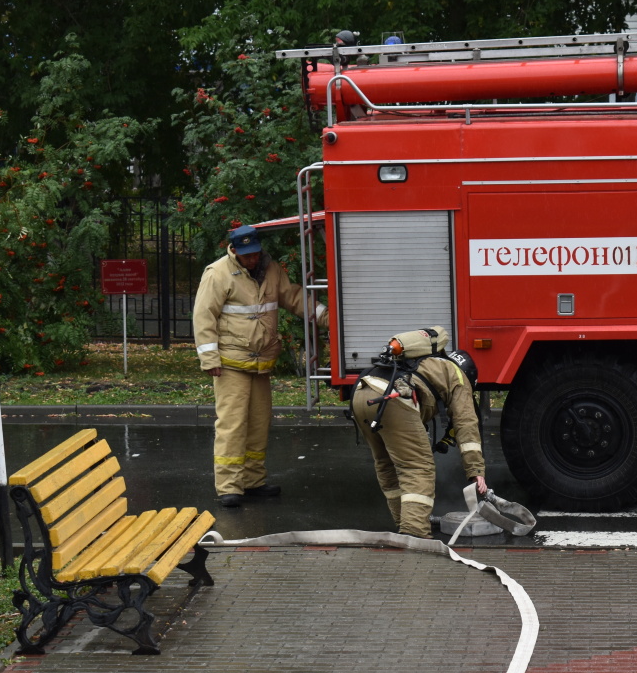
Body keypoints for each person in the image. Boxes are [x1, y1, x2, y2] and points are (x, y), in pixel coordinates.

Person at [193, 225, 326, 508]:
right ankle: (229, 486)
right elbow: (203, 317)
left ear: (259, 249)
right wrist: (210, 359)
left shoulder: (272, 270)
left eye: (254, 254)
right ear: (233, 251)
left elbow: (294, 297)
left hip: (261, 362)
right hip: (230, 364)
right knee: (232, 425)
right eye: (245, 255)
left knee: (258, 424)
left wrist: (326, 316)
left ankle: (252, 481)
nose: (250, 259)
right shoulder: (218, 273)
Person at [350, 342, 487, 537]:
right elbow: (466, 422)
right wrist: (476, 470)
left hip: (362, 392)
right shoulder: (460, 377)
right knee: (417, 467)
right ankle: (414, 533)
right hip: (392, 399)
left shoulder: (429, 363)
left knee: (386, 463)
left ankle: (405, 523)